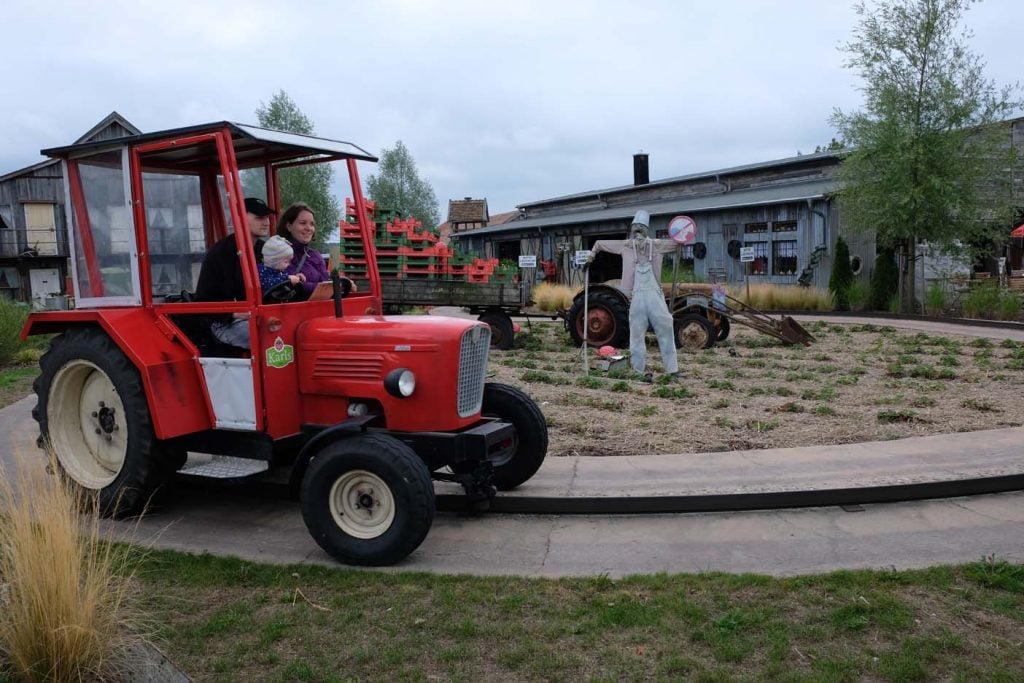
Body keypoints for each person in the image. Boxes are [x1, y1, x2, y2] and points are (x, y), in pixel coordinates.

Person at [587, 210, 679, 382]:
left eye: (641, 228)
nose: (637, 232)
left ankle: (672, 370)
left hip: (655, 297)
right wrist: (590, 257)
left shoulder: (657, 245)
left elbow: (679, 242)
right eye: (635, 228)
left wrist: (683, 233)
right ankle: (638, 371)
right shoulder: (626, 246)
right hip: (636, 298)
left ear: (646, 230)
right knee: (636, 336)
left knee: (666, 330)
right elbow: (600, 243)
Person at [194, 197, 272, 349]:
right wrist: (235, 313)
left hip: (260, 316)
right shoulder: (221, 253)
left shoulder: (266, 250)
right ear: (240, 218)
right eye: (259, 217)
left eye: (267, 217)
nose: (267, 222)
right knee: (274, 340)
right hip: (225, 323)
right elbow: (204, 301)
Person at [277, 202, 330, 299]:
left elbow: (327, 285)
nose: (309, 228)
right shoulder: (280, 253)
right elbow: (293, 285)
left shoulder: (316, 256)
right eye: (303, 223)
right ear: (289, 226)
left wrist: (340, 284)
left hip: (318, 310)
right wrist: (326, 288)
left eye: (312, 224)